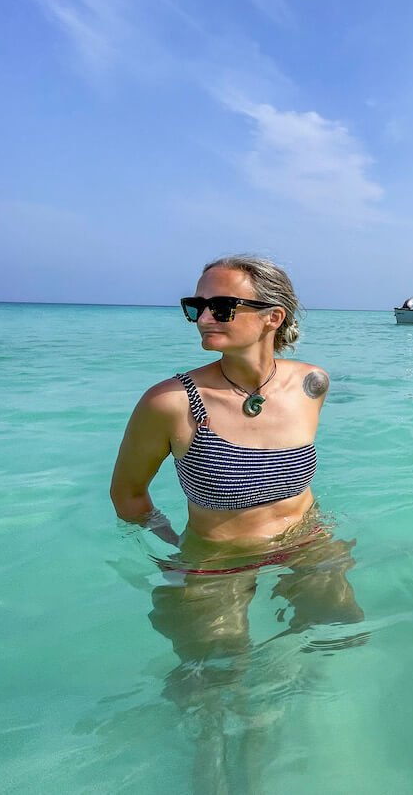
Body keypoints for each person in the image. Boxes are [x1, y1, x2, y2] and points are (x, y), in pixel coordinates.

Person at [110, 254, 363, 674]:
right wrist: (173, 548)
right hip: (217, 562)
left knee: (339, 639)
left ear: (272, 318)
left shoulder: (311, 384)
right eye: (196, 306)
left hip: (309, 543)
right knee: (216, 685)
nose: (204, 317)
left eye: (222, 307)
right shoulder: (169, 403)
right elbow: (127, 495)